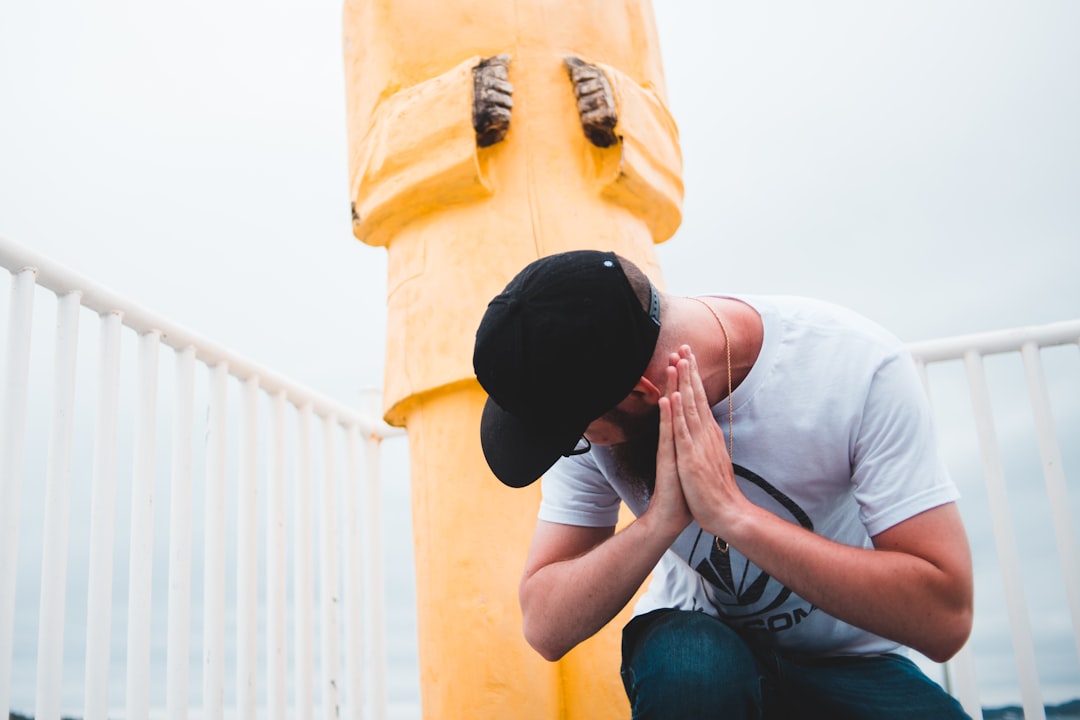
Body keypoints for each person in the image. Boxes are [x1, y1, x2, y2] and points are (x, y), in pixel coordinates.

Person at [472, 249, 974, 719]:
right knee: (695, 669)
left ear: (639, 394)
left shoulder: (854, 368)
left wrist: (734, 516)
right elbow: (544, 625)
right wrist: (658, 524)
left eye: (575, 435)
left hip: (855, 663)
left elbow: (944, 619)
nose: (575, 445)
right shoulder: (587, 397)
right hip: (699, 646)